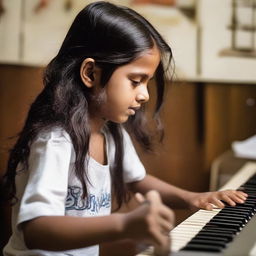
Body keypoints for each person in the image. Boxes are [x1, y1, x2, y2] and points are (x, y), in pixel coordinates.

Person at [1, 1, 247, 256]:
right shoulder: (56, 141)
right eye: (135, 81)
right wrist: (124, 225)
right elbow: (36, 230)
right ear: (90, 73)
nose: (144, 95)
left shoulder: (111, 134)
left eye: (147, 83)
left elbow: (138, 180)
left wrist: (192, 198)